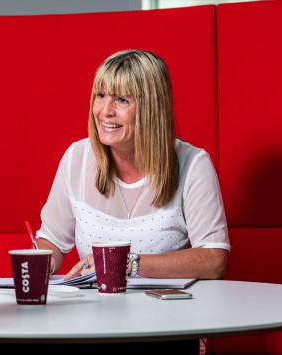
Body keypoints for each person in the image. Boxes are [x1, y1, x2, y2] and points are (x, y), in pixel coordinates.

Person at [34, 49, 230, 282]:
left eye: (122, 100)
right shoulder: (76, 157)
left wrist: (124, 262)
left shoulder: (194, 164)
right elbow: (53, 241)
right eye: (100, 96)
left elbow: (214, 260)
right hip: (93, 311)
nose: (105, 111)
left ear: (151, 109)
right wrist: (44, 261)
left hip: (166, 312)